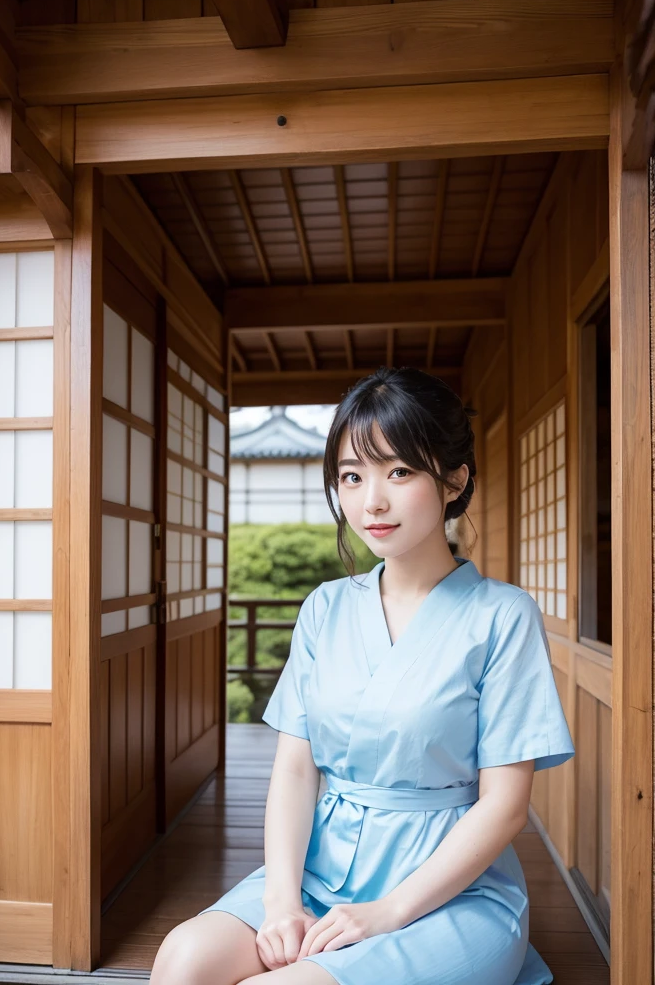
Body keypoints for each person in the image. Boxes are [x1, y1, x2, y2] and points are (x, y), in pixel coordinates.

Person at [150, 367, 575, 985]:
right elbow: (296, 769)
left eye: (399, 471)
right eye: (352, 476)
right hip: (322, 870)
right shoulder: (325, 607)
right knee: (180, 961)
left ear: (455, 479)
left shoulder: (503, 616)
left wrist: (388, 912)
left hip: (449, 890)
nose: (371, 501)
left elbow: (506, 806)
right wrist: (281, 903)